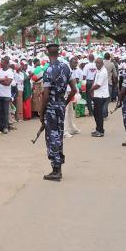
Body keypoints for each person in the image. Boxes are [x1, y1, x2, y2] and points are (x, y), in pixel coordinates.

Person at [40, 44, 77, 181]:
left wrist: (42, 111)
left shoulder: (48, 70)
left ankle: (56, 170)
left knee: (52, 137)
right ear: (59, 52)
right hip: (60, 104)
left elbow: (46, 94)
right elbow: (74, 89)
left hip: (51, 107)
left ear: (47, 53)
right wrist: (64, 103)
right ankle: (58, 166)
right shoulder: (66, 67)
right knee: (59, 135)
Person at [0, 56, 14, 134]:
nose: (1, 63)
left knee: (5, 112)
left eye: (3, 62)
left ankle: (5, 127)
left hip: (6, 95)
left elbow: (8, 83)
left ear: (7, 63)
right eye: (1, 62)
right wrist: (3, 79)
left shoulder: (10, 72)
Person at [91, 58, 109, 137]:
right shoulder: (99, 70)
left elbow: (98, 85)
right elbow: (95, 81)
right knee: (96, 113)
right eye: (96, 63)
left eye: (98, 63)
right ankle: (98, 128)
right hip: (97, 94)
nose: (96, 65)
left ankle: (100, 131)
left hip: (101, 95)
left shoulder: (103, 72)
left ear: (102, 63)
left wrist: (91, 90)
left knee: (98, 114)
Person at [103, 52, 117, 118]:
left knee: (102, 99)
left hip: (101, 83)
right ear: (109, 57)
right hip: (109, 83)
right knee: (107, 99)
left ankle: (103, 112)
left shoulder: (101, 63)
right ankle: (105, 113)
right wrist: (116, 83)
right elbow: (115, 75)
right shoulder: (112, 64)